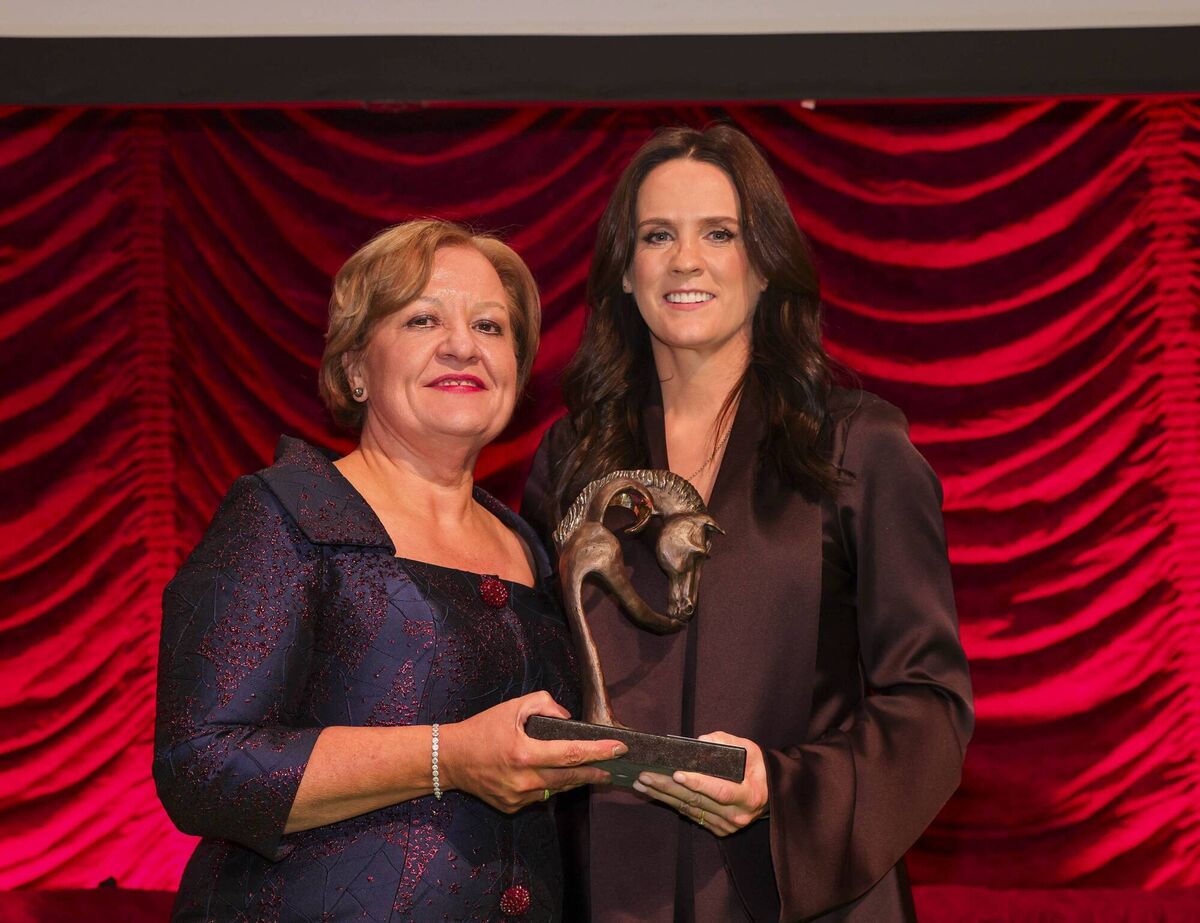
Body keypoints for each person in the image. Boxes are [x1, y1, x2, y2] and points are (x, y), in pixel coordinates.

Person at [522, 126, 975, 922]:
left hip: (807, 892)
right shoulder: (572, 457)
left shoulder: (857, 446)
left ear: (764, 263)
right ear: (625, 271)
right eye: (657, 235)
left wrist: (782, 788)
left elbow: (930, 703)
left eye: (719, 234)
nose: (685, 260)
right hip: (613, 893)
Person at [154, 219, 625, 922]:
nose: (463, 343)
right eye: (423, 317)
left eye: (491, 326)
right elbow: (201, 764)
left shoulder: (527, 541)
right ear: (354, 368)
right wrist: (449, 754)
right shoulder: (287, 511)